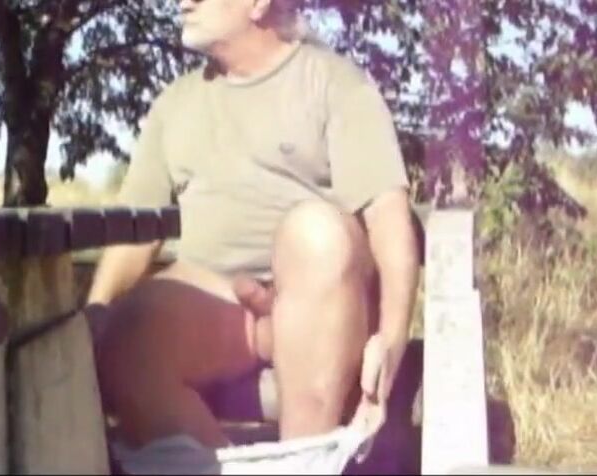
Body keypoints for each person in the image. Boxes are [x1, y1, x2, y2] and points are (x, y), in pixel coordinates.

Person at [84, 0, 420, 452]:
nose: (183, 2)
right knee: (127, 332)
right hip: (218, 310)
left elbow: (388, 218)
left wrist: (392, 338)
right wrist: (96, 314)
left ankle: (303, 461)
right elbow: (134, 234)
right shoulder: (175, 105)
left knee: (315, 235)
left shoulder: (335, 84)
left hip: (318, 304)